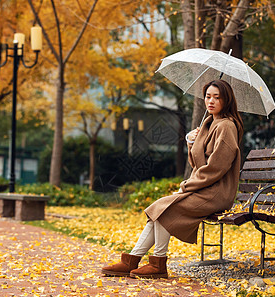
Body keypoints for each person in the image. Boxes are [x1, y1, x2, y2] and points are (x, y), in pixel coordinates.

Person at [102, 79, 244, 279]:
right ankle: (131, 261)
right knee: (159, 209)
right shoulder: (209, 123)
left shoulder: (226, 126)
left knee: (166, 209)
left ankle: (158, 263)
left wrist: (187, 186)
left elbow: (216, 168)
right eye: (208, 96)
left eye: (217, 97)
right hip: (204, 187)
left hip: (217, 191)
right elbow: (197, 164)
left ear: (226, 100)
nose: (210, 101)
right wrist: (191, 141)